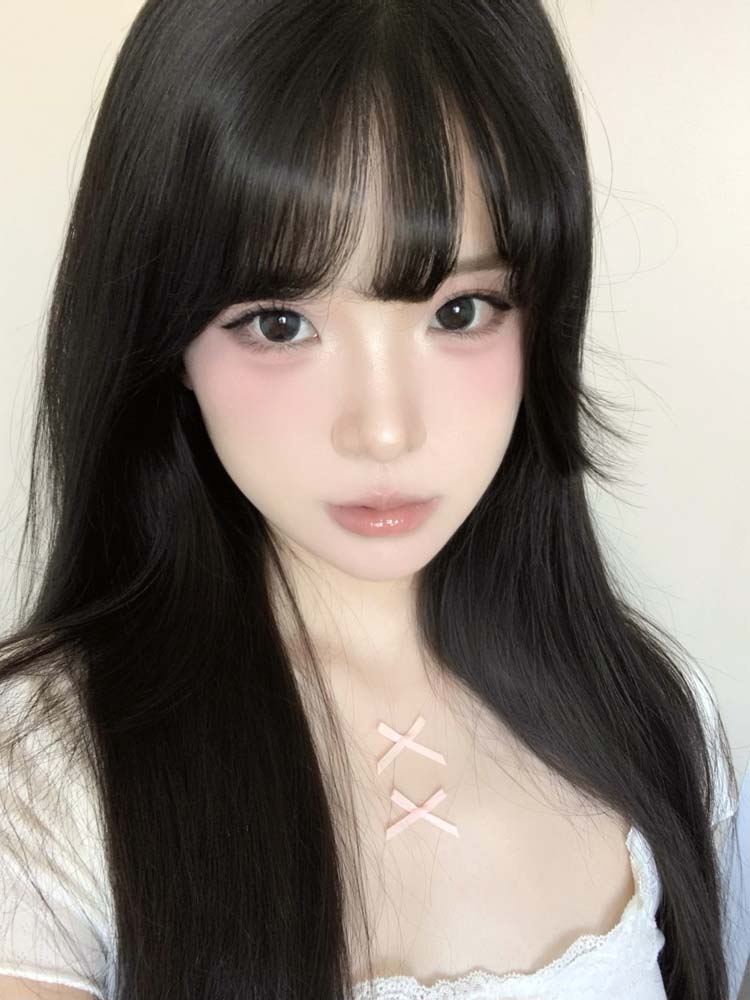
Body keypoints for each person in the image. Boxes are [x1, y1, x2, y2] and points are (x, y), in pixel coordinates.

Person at [0, 1, 745, 998]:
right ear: (166, 336)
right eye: (278, 323)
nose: (384, 431)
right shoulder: (45, 775)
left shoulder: (656, 717)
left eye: (460, 310)